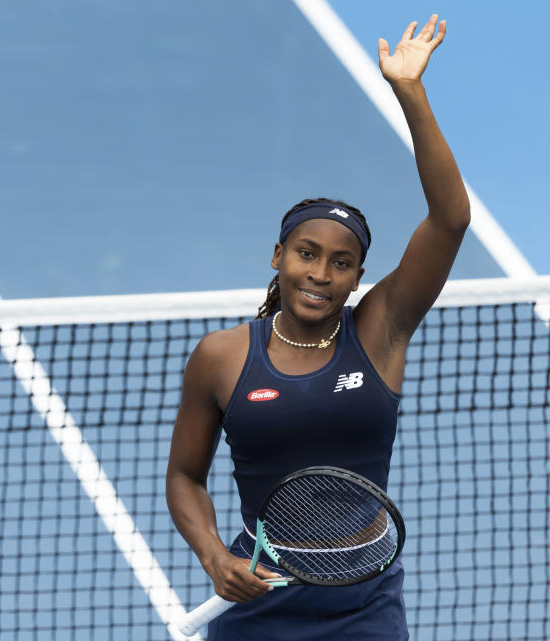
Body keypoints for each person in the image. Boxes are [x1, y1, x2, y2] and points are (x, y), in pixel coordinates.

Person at [166, 13, 469, 640]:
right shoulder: (222, 357)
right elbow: (184, 477)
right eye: (307, 253)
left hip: (364, 606)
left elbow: (449, 220)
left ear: (358, 277)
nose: (321, 273)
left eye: (341, 262)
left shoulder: (380, 331)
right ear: (278, 256)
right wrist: (213, 555)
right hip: (259, 599)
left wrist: (410, 91)